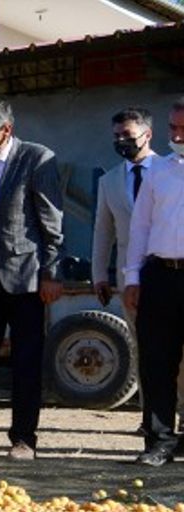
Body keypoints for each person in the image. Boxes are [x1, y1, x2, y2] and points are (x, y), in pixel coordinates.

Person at [0, 98, 64, 461]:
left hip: (26, 279)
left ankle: (24, 438)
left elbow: (51, 222)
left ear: (6, 130)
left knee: (26, 361)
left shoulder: (36, 159)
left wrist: (51, 273)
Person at [92, 107, 178, 421]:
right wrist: (99, 275)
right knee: (145, 348)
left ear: (147, 134)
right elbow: (103, 231)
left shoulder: (172, 170)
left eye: (127, 135)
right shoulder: (109, 181)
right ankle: (150, 417)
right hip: (132, 278)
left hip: (171, 271)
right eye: (116, 136)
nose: (121, 141)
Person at [121, 97, 184, 467]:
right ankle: (159, 442)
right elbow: (140, 226)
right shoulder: (158, 171)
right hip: (160, 275)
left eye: (182, 129)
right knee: (157, 361)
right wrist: (132, 277)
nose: (175, 136)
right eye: (172, 128)